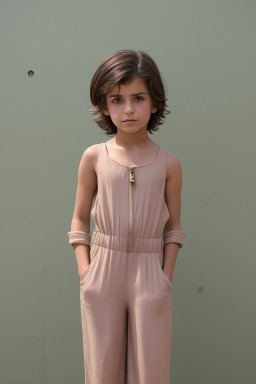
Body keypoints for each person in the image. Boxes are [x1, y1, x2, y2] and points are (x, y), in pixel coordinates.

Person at [67, 49, 185, 384]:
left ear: (155, 102)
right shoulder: (94, 157)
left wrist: (164, 279)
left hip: (150, 276)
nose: (128, 109)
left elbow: (174, 227)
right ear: (104, 105)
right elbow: (78, 220)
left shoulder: (169, 164)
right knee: (102, 373)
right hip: (102, 273)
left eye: (138, 98)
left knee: (152, 373)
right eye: (117, 99)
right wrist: (87, 275)